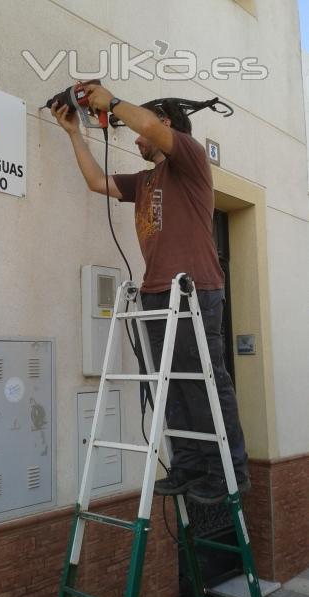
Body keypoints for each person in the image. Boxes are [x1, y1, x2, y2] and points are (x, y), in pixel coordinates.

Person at [51, 83, 250, 504]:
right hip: (157, 293)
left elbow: (148, 127)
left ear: (165, 124)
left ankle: (228, 469)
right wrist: (73, 133)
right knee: (171, 387)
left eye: (141, 130)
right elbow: (95, 182)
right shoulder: (144, 182)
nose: (135, 138)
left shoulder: (191, 159)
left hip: (195, 290)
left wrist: (114, 102)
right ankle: (191, 465)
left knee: (205, 383)